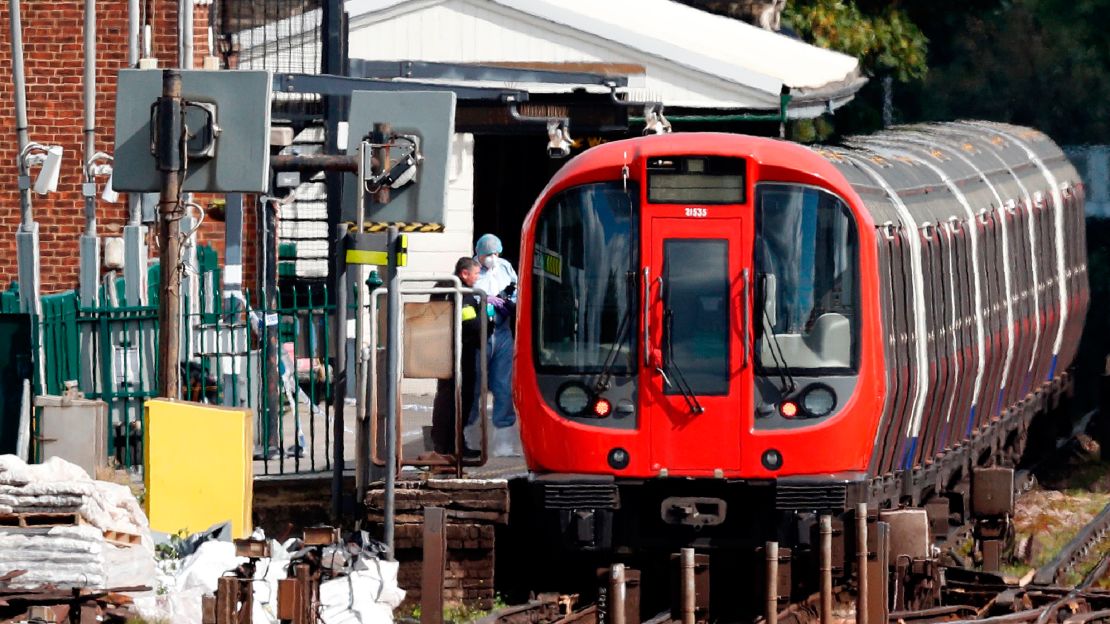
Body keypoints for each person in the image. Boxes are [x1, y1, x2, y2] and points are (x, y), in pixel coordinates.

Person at [470, 234, 521, 457]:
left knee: (503, 385)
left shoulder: (505, 267)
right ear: (478, 254)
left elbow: (516, 288)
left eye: (495, 253)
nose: (492, 258)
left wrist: (509, 301)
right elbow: (465, 292)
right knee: (474, 387)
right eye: (487, 254)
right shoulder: (471, 268)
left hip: (502, 333)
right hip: (478, 334)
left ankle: (504, 442)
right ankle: (470, 437)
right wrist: (484, 300)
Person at [430, 257, 485, 459]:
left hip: (444, 352)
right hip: (462, 355)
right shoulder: (463, 294)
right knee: (462, 399)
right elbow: (472, 325)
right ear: (464, 273)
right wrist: (488, 318)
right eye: (476, 274)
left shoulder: (442, 287)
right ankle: (452, 447)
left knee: (445, 397)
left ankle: (448, 445)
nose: (477, 278)